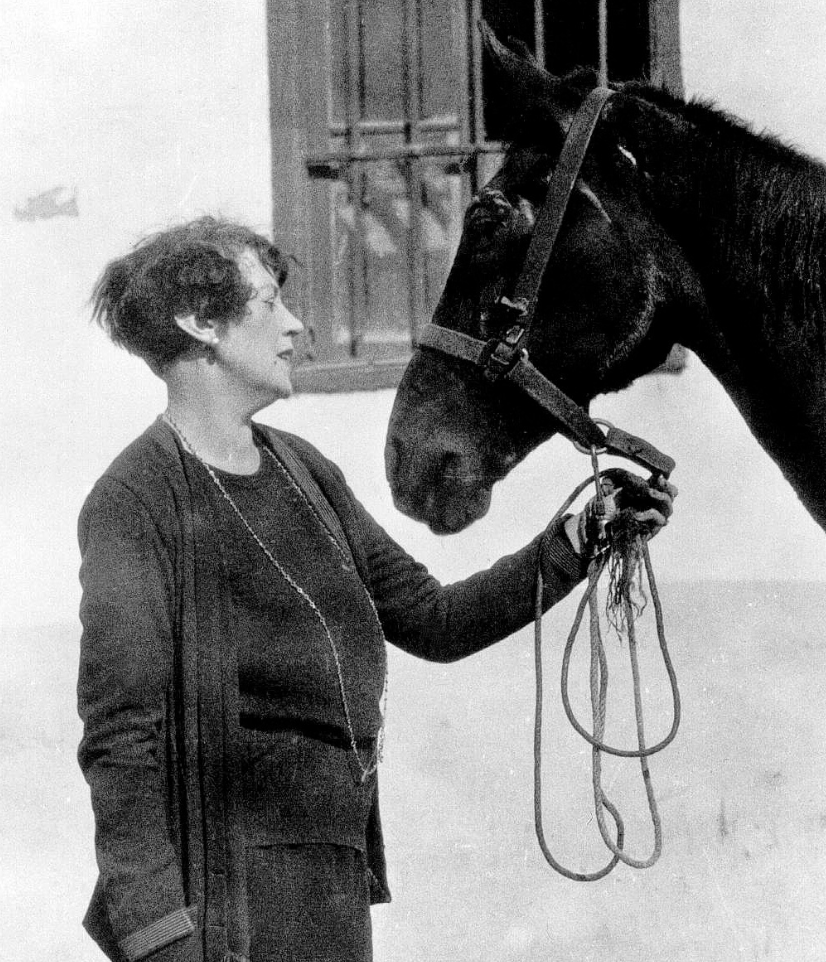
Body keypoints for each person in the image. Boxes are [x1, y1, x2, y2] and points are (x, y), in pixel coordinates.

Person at [77, 216, 675, 962]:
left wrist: (581, 538)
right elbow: (120, 742)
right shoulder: (136, 502)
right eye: (269, 305)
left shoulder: (304, 470)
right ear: (199, 323)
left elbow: (434, 618)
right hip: (224, 907)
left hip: (333, 877)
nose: (297, 326)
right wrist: (157, 938)